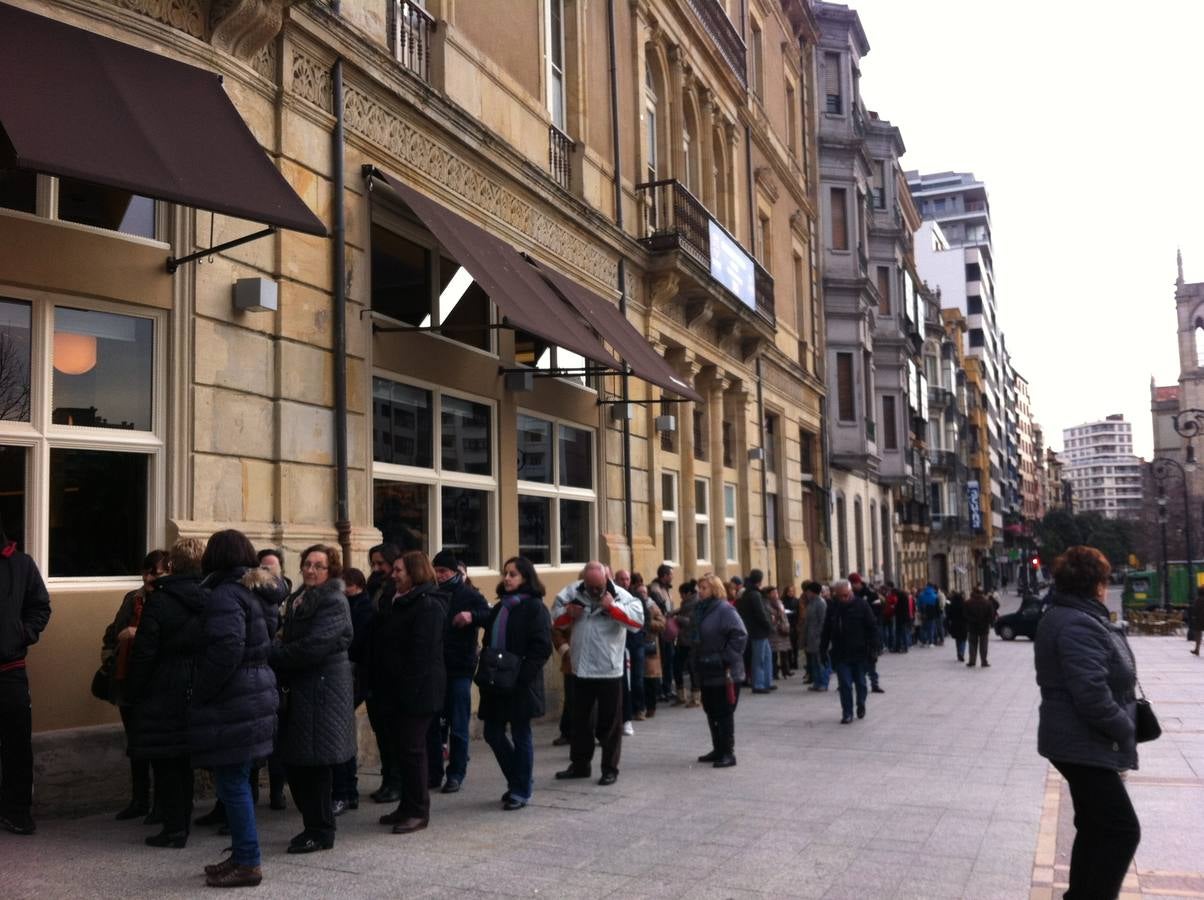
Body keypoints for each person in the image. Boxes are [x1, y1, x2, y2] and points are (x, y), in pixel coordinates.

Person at [1035, 546, 1141, 899]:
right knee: (1121, 830)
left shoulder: (1073, 616)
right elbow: (1091, 693)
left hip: (1076, 739)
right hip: (1081, 741)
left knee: (1095, 826)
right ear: (1095, 583)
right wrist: (1126, 728)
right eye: (1104, 580)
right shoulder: (1078, 622)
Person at [191, 530, 283, 889]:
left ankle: (248, 861)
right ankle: (243, 853)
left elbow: (227, 648)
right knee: (238, 777)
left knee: (232, 781)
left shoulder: (227, 594)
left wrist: (203, 690)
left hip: (235, 694)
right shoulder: (255, 591)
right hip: (256, 689)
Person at [270, 544, 356, 854]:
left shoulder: (333, 601)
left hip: (322, 692)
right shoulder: (299, 598)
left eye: (318, 565)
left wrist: (274, 654)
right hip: (302, 690)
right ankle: (313, 825)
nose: (310, 570)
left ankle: (321, 831)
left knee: (316, 765)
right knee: (297, 762)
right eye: (307, 564)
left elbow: (313, 647)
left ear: (330, 570)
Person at [125, 538, 207, 848]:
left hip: (163, 685)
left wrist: (134, 689)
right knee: (184, 760)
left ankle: (174, 828)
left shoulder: (160, 600)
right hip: (197, 682)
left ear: (172, 565)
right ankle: (181, 822)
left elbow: (145, 652)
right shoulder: (211, 596)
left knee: (167, 763)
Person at [369, 551, 445, 835]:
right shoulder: (399, 601)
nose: (393, 574)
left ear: (414, 572)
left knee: (413, 750)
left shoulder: (427, 605)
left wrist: (405, 691)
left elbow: (421, 656)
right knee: (402, 750)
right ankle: (406, 805)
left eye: (399, 570)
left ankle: (419, 810)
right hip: (397, 690)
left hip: (417, 692)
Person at [552, 561, 644, 786]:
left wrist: (612, 608)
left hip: (609, 670)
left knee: (610, 724)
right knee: (580, 721)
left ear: (606, 580)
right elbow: (554, 618)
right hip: (581, 669)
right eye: (591, 587)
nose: (595, 591)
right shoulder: (572, 592)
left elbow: (637, 622)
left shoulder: (621, 595)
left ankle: (610, 768)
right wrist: (568, 614)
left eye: (599, 587)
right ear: (585, 581)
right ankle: (580, 765)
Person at [99, 549, 168, 822]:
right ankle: (139, 800)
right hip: (129, 680)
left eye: (157, 571)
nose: (151, 577)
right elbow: (113, 631)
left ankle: (161, 805)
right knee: (136, 744)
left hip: (158, 682)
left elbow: (171, 635)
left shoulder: (169, 600)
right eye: (148, 571)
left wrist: (137, 633)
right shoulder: (133, 599)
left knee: (160, 747)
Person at [479, 557, 552, 810]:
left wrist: (522, 676)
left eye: (513, 574)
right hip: (496, 682)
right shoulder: (500, 608)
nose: (507, 578)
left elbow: (542, 647)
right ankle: (519, 779)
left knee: (521, 734)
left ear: (525, 578)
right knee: (492, 732)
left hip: (520, 683)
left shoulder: (534, 608)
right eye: (505, 574)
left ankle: (520, 790)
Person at [0, 519, 50, 837]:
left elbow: (40, 607)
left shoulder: (21, 564)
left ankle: (17, 812)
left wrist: (22, 634)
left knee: (17, 746)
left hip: (10, 671)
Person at [430, 549, 490, 794]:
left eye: (443, 571)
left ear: (455, 572)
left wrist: (472, 616)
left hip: (460, 668)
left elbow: (489, 615)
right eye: (436, 571)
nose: (439, 575)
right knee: (434, 724)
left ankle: (456, 773)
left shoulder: (468, 594)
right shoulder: (432, 592)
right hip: (435, 667)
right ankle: (433, 772)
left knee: (458, 722)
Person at [692, 574, 748, 768]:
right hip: (706, 668)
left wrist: (726, 657)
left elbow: (740, 634)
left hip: (725, 672)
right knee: (711, 710)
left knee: (724, 711)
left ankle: (728, 752)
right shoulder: (701, 610)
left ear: (715, 590)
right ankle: (717, 748)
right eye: (699, 587)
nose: (700, 591)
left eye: (704, 588)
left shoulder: (724, 610)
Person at [362, 543, 402, 804]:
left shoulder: (395, 591)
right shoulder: (373, 587)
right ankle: (388, 779)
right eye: (373, 564)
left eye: (381, 564)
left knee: (393, 733)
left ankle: (396, 781)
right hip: (372, 668)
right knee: (381, 731)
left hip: (390, 671)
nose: (377, 569)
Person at [333, 567, 371, 815]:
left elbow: (355, 642)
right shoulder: (345, 605)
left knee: (343, 736)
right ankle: (348, 790)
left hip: (351, 675)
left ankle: (347, 790)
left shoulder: (361, 608)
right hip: (346, 674)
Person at [821, 578, 880, 724]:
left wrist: (874, 649)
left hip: (860, 653)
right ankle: (847, 713)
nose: (843, 598)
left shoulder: (862, 605)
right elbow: (826, 630)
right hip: (841, 653)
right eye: (840, 596)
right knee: (845, 684)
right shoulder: (833, 607)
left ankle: (861, 703)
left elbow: (872, 627)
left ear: (851, 592)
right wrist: (822, 649)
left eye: (846, 595)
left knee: (861, 683)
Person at [736, 570, 773, 693]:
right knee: (759, 659)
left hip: (758, 630)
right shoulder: (754, 595)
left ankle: (767, 681)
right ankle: (759, 684)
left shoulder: (749, 593)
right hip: (758, 630)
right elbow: (760, 614)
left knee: (766, 657)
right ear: (760, 580)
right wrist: (769, 626)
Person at [849, 573, 885, 693]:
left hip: (869, 632)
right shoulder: (849, 595)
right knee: (857, 661)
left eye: (854, 584)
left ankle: (874, 684)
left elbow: (878, 612)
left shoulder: (871, 594)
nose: (853, 586)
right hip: (855, 634)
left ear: (858, 582)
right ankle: (852, 682)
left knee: (871, 660)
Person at [648, 564, 676, 701]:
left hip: (667, 628)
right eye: (671, 575)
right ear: (664, 576)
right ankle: (662, 690)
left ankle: (667, 687)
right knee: (664, 660)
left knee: (669, 659)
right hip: (661, 630)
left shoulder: (665, 588)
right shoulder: (655, 589)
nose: (672, 577)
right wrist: (673, 613)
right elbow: (663, 610)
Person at [672, 579, 700, 707]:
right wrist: (675, 612)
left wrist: (677, 618)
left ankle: (695, 698)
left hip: (691, 641)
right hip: (683, 640)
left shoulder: (696, 603)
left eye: (682, 594)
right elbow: (683, 610)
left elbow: (690, 621)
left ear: (688, 593)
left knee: (692, 668)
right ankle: (681, 695)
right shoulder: (687, 603)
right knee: (677, 666)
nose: (681, 597)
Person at [640, 582, 666, 717]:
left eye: (644, 592)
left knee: (650, 679)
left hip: (650, 647)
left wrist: (649, 623)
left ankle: (651, 707)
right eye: (640, 593)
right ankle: (640, 707)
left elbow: (662, 623)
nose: (643, 595)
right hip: (637, 646)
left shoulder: (652, 606)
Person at [801, 582, 830, 692]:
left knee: (820, 661)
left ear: (812, 592)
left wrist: (819, 635)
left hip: (818, 637)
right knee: (813, 662)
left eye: (808, 592)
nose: (807, 594)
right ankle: (817, 682)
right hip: (811, 636)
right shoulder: (811, 603)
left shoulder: (821, 603)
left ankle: (823, 682)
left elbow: (823, 621)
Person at [965, 588, 994, 668]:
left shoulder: (968, 602)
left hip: (972, 627)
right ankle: (984, 661)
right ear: (982, 593)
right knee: (984, 645)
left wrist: (971, 621)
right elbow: (991, 615)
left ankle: (972, 661)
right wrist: (989, 623)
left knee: (972, 644)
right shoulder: (987, 603)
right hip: (984, 627)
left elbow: (965, 615)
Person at [767, 586, 792, 679]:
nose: (776, 595)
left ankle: (786, 671)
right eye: (773, 593)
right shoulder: (768, 604)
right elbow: (773, 614)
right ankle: (775, 672)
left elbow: (783, 614)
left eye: (776, 593)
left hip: (783, 629)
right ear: (769, 594)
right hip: (774, 630)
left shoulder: (780, 602)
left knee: (784, 651)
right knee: (774, 653)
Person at [783, 585, 801, 674]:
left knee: (795, 645)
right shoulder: (783, 600)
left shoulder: (796, 600)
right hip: (787, 624)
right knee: (788, 645)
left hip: (794, 624)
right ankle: (789, 662)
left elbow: (798, 612)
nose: (791, 593)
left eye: (792, 591)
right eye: (789, 591)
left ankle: (795, 662)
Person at [946, 590, 968, 662]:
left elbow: (949, 615)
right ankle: (961, 652)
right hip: (963, 624)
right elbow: (966, 615)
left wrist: (949, 621)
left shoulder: (952, 604)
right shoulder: (964, 604)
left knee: (958, 639)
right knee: (963, 639)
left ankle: (959, 653)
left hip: (955, 624)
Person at [1193, 586, 1204, 656]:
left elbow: (1195, 610)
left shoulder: (1198, 600)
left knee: (1198, 634)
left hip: (1199, 619)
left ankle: (1197, 649)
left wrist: (1194, 616)